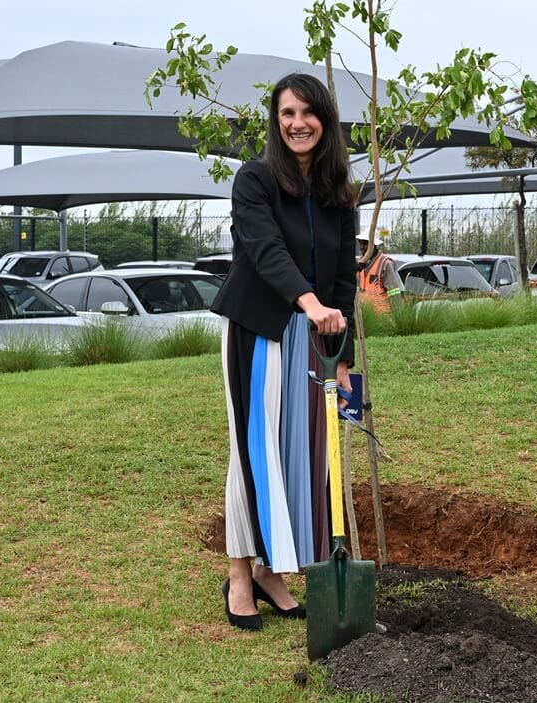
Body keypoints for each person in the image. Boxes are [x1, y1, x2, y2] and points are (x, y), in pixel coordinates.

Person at [210, 72, 358, 631]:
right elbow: (265, 249)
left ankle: (271, 573)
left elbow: (343, 278)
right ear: (276, 121)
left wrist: (343, 357)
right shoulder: (255, 180)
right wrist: (310, 302)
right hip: (259, 329)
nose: (298, 123)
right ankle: (239, 577)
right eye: (287, 113)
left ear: (325, 120)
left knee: (301, 456)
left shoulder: (338, 191)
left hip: (314, 339)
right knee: (254, 452)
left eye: (308, 112)